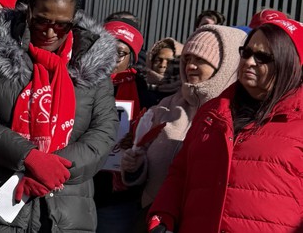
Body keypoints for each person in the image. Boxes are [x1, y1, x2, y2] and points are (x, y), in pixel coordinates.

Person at [0, 0, 119, 232]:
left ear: (74, 20)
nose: (50, 32)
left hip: (65, 213)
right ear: (28, 12)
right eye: (41, 21)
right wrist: (29, 157)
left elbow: (103, 133)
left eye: (61, 25)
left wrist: (54, 170)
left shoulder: (94, 65)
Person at [148, 18, 303, 233]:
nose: (249, 62)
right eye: (246, 53)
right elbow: (180, 173)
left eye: (262, 57)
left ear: (289, 63)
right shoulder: (212, 112)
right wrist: (163, 216)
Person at [121, 25, 245, 231]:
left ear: (225, 65)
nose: (190, 66)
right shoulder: (166, 106)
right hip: (154, 220)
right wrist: (136, 166)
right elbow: (145, 166)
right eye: (187, 59)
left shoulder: (238, 116)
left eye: (200, 60)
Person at [94, 19, 151, 233]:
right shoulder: (80, 82)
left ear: (131, 58)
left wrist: (137, 140)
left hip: (116, 199)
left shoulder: (143, 94)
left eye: (119, 53)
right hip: (78, 187)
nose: (111, 58)